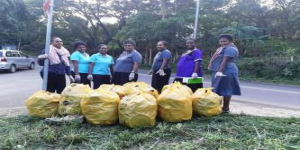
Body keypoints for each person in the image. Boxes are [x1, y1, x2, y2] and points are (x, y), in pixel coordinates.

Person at [208, 34, 241, 113]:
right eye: (221, 41)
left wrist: (220, 71)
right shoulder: (221, 49)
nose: (223, 43)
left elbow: (224, 61)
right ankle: (217, 107)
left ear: (230, 41)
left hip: (227, 70)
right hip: (218, 70)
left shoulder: (231, 49)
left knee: (227, 89)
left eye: (225, 41)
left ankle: (226, 108)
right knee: (217, 88)